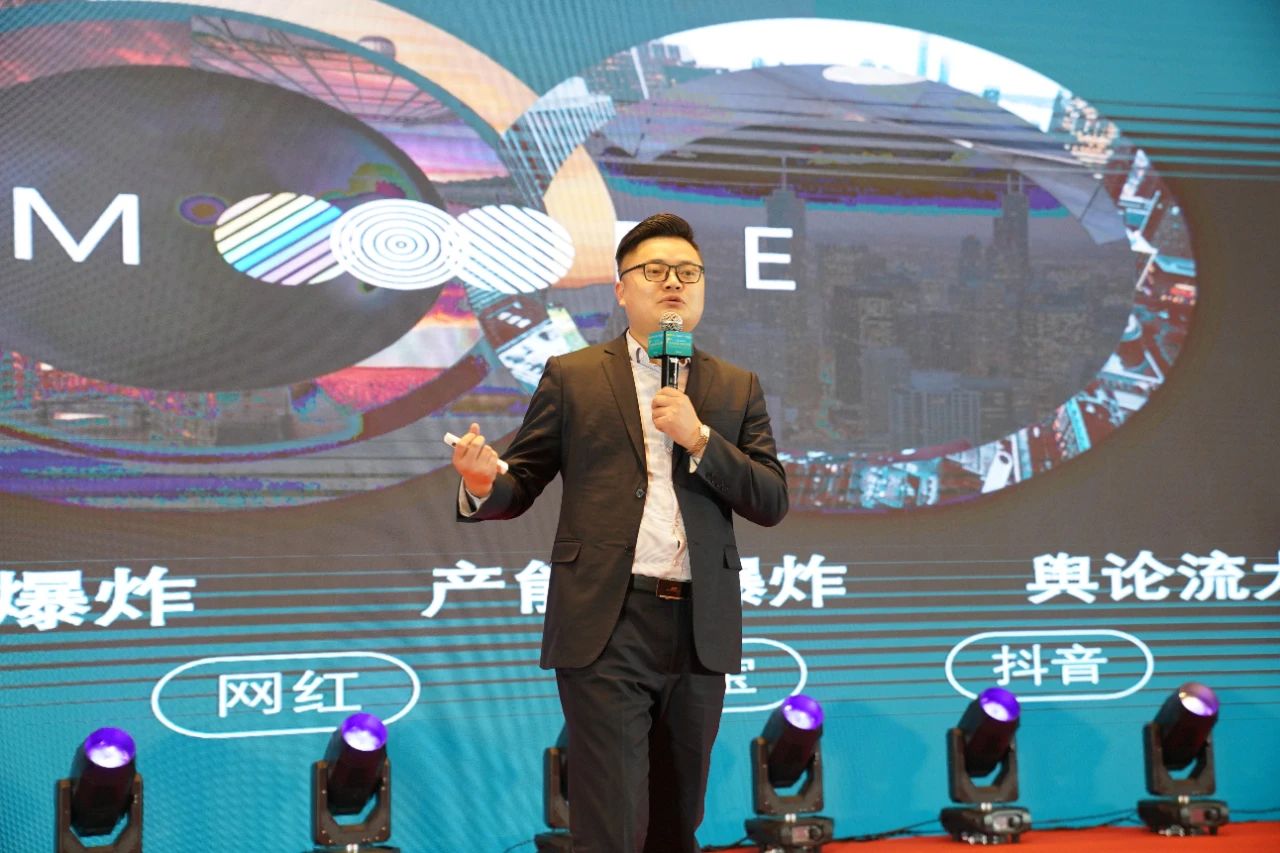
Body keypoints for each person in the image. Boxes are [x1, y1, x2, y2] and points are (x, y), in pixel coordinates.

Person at [451, 212, 788, 852]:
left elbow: (770, 499)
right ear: (622, 289)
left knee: (676, 822)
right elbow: (521, 479)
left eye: (688, 273)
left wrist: (700, 438)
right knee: (613, 821)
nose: (673, 283)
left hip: (699, 626)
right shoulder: (574, 376)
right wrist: (480, 482)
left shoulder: (735, 386)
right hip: (608, 621)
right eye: (655, 271)